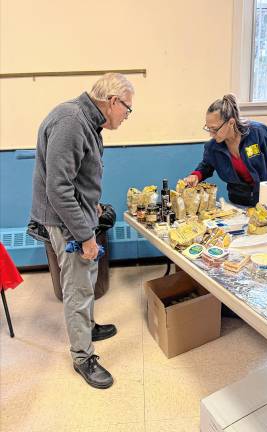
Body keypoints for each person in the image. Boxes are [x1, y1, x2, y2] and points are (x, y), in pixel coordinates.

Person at [30, 73, 134, 389]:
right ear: (113, 101)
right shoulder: (72, 122)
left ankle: (86, 327)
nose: (127, 116)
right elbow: (58, 188)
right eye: (127, 109)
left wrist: (94, 206)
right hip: (65, 221)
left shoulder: (88, 122)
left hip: (77, 214)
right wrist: (86, 236)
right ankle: (82, 356)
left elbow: (76, 178)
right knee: (77, 286)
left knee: (86, 279)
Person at [184, 94, 267, 209]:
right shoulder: (213, 147)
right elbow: (206, 166)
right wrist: (196, 175)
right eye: (208, 128)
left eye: (214, 129)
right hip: (238, 202)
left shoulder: (259, 133)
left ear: (231, 122)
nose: (211, 134)